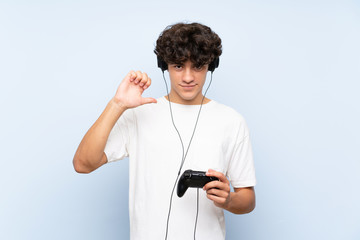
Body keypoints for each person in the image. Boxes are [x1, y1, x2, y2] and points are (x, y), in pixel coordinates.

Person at [73, 22, 256, 240]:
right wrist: (117, 104)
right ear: (164, 65)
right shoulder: (140, 113)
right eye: (178, 66)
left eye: (197, 66)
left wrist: (228, 200)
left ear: (211, 65)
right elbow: (83, 164)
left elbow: (248, 199)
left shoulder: (232, 121)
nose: (188, 77)